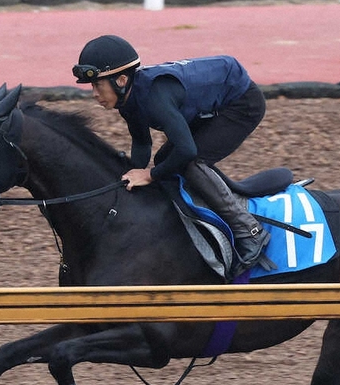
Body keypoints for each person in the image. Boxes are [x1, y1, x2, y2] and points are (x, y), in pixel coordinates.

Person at [72, 34, 270, 275]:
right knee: (166, 160)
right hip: (211, 105)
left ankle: (250, 231)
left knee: (190, 163)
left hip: (241, 103)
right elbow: (142, 143)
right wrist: (131, 177)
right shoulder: (128, 99)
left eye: (97, 85)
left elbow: (187, 151)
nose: (94, 94)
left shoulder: (154, 98)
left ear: (121, 80)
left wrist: (151, 176)